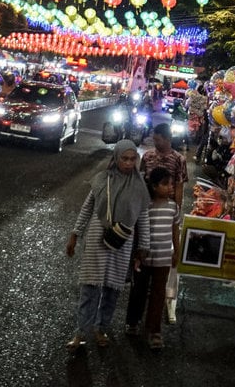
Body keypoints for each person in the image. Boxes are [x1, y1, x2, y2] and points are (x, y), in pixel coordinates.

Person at [65, 140, 151, 351]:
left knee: (112, 290)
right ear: (116, 158)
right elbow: (88, 207)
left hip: (122, 242)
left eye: (133, 159)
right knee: (90, 288)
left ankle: (101, 328)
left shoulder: (139, 186)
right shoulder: (103, 180)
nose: (129, 163)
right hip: (96, 237)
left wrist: (143, 247)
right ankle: (80, 333)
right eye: (125, 159)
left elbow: (143, 218)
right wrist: (75, 234)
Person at [124, 167, 180, 350]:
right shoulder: (145, 206)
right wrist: (136, 253)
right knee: (138, 290)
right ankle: (133, 321)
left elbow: (175, 230)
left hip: (163, 258)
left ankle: (154, 330)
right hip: (145, 257)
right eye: (165, 184)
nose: (170, 187)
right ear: (154, 186)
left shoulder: (173, 207)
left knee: (158, 294)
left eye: (171, 184)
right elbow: (139, 229)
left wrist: (177, 251)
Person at [139, 123, 189, 323]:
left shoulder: (178, 160)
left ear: (167, 138)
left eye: (157, 138)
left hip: (166, 213)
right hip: (145, 211)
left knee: (159, 275)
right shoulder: (147, 157)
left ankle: (153, 322)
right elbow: (141, 181)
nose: (154, 141)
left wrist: (175, 210)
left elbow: (179, 186)